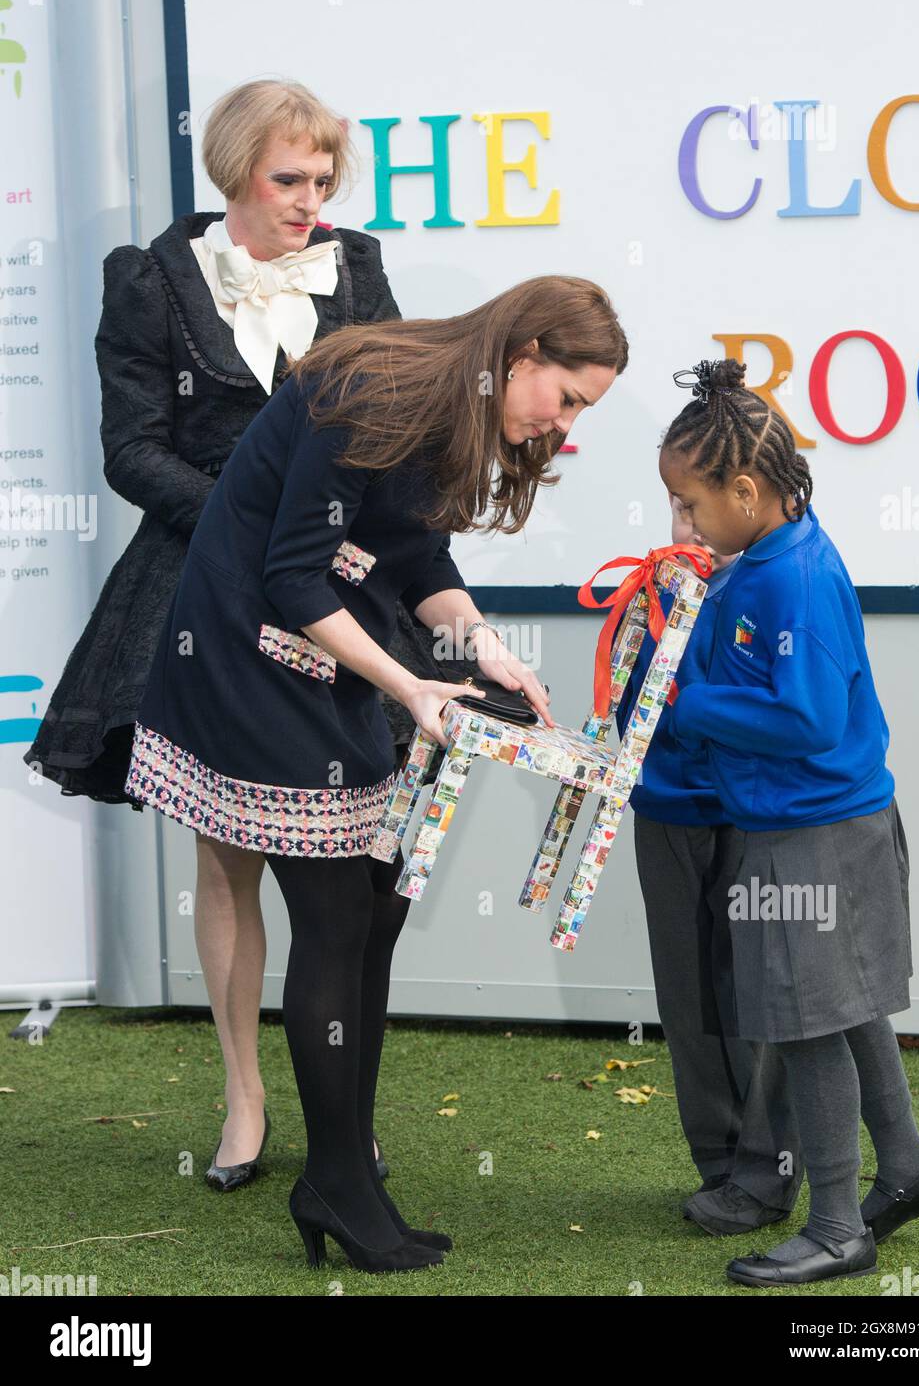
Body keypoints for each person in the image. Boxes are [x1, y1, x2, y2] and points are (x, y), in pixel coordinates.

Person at [124, 276, 628, 1272]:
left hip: (325, 661)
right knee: (339, 914)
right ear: (524, 351)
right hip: (247, 657)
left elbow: (412, 551)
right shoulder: (367, 386)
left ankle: (342, 1167)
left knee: (377, 904)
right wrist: (410, 686)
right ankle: (338, 1183)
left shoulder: (448, 405)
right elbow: (293, 573)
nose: (562, 426)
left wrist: (481, 646)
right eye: (565, 397)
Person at [21, 77, 408, 1185]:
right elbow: (130, 452)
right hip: (198, 591)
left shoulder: (359, 269)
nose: (310, 201)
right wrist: (246, 523)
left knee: (351, 874)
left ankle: (342, 1121)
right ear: (235, 172)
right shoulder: (148, 281)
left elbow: (386, 424)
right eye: (290, 180)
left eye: (324, 180)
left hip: (337, 586)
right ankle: (244, 1102)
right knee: (225, 854)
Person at [658, 357, 919, 1287]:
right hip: (824, 825)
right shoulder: (773, 557)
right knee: (845, 1005)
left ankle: (837, 1225)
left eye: (691, 504)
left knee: (805, 1026)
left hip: (810, 836)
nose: (684, 523)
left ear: (746, 490)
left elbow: (807, 719)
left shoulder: (788, 579)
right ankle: (907, 1169)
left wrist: (680, 700)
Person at [616, 495, 805, 1236]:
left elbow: (775, 708)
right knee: (689, 995)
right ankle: (721, 1166)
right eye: (677, 507)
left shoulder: (770, 584)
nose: (690, 527)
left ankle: (769, 1169)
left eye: (703, 507)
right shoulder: (656, 586)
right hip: (667, 810)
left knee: (760, 990)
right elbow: (631, 699)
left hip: (752, 812)